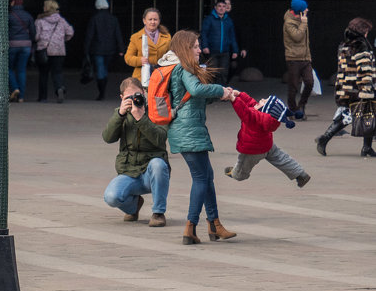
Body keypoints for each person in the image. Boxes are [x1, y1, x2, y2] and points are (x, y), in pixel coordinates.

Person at [159, 30, 236, 245]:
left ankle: (214, 225)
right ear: (185, 48)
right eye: (195, 46)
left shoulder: (177, 68)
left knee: (207, 176)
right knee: (202, 178)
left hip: (186, 128)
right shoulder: (184, 68)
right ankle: (190, 227)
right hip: (189, 129)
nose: (199, 49)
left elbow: (193, 97)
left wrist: (221, 95)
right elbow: (196, 89)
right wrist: (220, 89)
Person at [102, 77, 170, 227]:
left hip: (151, 172)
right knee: (111, 197)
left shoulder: (157, 110)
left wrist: (141, 118)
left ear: (144, 93)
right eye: (129, 97)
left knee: (159, 165)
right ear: (121, 98)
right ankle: (134, 206)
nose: (134, 100)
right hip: (129, 171)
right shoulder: (121, 114)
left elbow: (160, 139)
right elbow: (107, 138)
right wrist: (120, 114)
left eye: (137, 96)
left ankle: (158, 213)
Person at [316, 17, 375, 157]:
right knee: (368, 114)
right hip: (359, 88)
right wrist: (367, 90)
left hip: (346, 87)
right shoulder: (362, 45)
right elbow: (364, 70)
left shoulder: (344, 44)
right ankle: (325, 139)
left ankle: (366, 147)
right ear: (362, 30)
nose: (367, 33)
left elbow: (342, 67)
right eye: (366, 30)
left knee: (352, 115)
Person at [224, 92, 310, 187]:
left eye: (264, 101)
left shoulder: (254, 116)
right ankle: (300, 174)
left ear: (264, 110)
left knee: (242, 167)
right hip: (267, 145)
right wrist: (239, 94)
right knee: (281, 158)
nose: (261, 99)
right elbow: (251, 103)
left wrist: (234, 99)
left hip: (252, 150)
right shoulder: (264, 117)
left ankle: (236, 173)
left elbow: (244, 111)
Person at [84, 0, 125, 101]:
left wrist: (86, 49)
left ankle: (101, 92)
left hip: (97, 49)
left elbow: (90, 35)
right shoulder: (113, 19)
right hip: (110, 49)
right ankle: (103, 89)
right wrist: (121, 49)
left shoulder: (94, 18)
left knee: (100, 69)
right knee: (104, 69)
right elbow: (118, 34)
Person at [34, 0, 74, 103]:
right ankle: (59, 88)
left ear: (47, 8)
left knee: (43, 74)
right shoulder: (61, 20)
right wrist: (62, 40)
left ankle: (43, 97)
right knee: (57, 72)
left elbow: (37, 36)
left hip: (44, 50)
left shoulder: (40, 21)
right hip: (59, 50)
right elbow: (70, 32)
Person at [200, 0, 245, 84]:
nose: (221, 8)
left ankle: (222, 94)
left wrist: (235, 51)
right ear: (215, 7)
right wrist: (205, 46)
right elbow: (204, 34)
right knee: (213, 73)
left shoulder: (229, 21)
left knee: (224, 73)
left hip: (225, 52)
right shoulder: (209, 19)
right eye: (219, 6)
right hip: (212, 51)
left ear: (226, 8)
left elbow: (232, 37)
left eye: (224, 6)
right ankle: (212, 94)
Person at [124, 8, 171, 84]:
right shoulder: (135, 37)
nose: (153, 22)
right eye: (150, 19)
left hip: (161, 78)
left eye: (155, 19)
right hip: (141, 78)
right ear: (144, 21)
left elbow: (171, 56)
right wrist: (139, 60)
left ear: (159, 21)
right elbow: (128, 58)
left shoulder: (167, 36)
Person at [284, 0, 313, 120]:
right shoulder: (289, 22)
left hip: (305, 58)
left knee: (310, 82)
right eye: (305, 8)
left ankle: (301, 105)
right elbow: (297, 37)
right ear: (299, 11)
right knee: (293, 86)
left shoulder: (302, 20)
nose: (307, 10)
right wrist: (304, 23)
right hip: (293, 58)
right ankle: (292, 109)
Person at [7, 0, 35, 102]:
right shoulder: (28, 16)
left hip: (12, 45)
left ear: (13, 2)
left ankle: (15, 88)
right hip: (26, 46)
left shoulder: (9, 15)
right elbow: (33, 32)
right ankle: (21, 97)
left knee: (8, 68)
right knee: (22, 70)